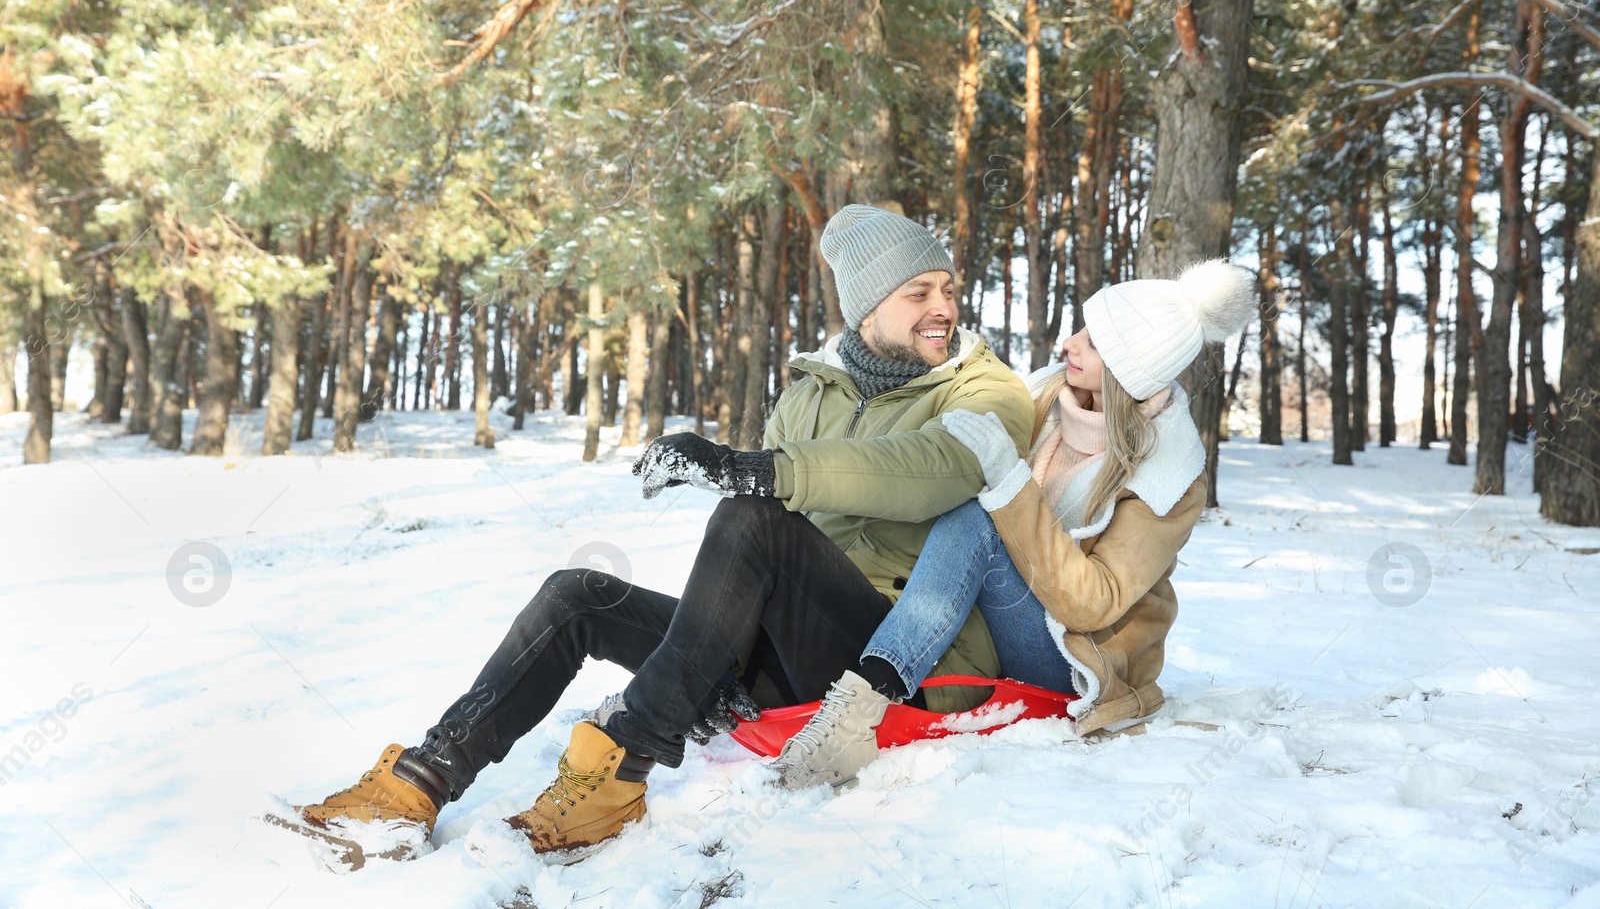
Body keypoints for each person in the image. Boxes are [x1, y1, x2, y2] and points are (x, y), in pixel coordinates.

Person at [272, 204, 1033, 866]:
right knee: (578, 595)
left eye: (948, 290)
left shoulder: (985, 388)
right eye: (919, 293)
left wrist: (754, 469)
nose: (944, 308)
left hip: (899, 659)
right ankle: (425, 778)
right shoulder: (809, 396)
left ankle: (621, 768)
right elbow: (760, 559)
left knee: (753, 513)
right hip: (789, 656)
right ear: (867, 308)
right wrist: (713, 658)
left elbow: (936, 467)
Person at [769, 259, 1257, 791]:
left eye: (1091, 342)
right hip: (1003, 620)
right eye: (1079, 328)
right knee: (965, 510)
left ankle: (861, 708)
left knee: (977, 514)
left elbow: (1092, 603)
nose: (1068, 343)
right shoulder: (1046, 398)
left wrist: (1010, 485)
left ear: (1125, 368)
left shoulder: (1170, 476)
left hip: (1076, 663)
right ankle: (839, 681)